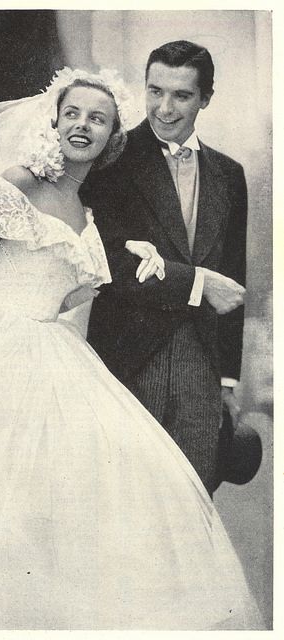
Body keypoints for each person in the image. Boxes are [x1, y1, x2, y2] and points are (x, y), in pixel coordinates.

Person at [0, 68, 261, 630]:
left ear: (114, 134)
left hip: (58, 359)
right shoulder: (14, 184)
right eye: (73, 114)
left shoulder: (89, 209)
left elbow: (87, 290)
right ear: (54, 120)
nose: (82, 126)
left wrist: (155, 261)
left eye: (98, 118)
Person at [83, 41, 248, 497]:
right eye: (155, 91)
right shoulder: (111, 158)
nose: (164, 108)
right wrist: (195, 283)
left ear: (206, 98)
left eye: (182, 95)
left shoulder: (229, 174)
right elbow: (109, 263)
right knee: (127, 501)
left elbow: (233, 280)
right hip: (127, 360)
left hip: (202, 369)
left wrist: (228, 383)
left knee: (194, 501)